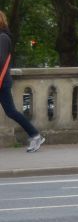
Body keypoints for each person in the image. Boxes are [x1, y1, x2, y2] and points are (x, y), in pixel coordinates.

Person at [0, 10, 44, 152]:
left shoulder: (3, 37)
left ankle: (35, 135)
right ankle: (35, 135)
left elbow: (0, 60)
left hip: (2, 82)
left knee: (11, 112)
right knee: (11, 111)